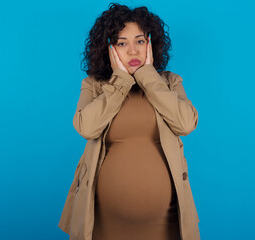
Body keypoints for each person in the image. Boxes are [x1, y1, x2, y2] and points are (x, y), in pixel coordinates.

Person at [59, 3, 200, 240]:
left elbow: (185, 124)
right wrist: (121, 81)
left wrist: (147, 76)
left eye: (140, 41)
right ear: (109, 49)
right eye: (122, 43)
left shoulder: (169, 82)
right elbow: (87, 127)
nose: (132, 51)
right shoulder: (94, 85)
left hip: (166, 223)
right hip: (102, 223)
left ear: (151, 45)